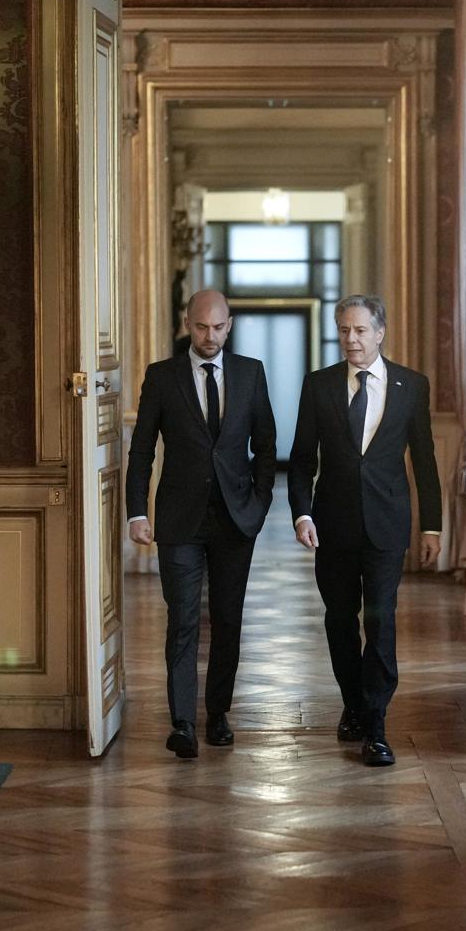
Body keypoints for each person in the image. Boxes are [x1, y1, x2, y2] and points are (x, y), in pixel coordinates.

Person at [290, 294, 442, 768]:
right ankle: (352, 704)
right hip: (331, 527)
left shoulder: (412, 385)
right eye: (344, 330)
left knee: (380, 625)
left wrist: (432, 526)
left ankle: (375, 726)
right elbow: (300, 459)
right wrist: (302, 514)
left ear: (380, 332)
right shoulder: (318, 386)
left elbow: (424, 461)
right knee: (339, 621)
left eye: (359, 330)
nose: (350, 339)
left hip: (386, 527)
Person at [126, 290, 277, 756]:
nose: (209, 337)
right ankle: (182, 723)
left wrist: (259, 504)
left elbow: (267, 445)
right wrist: (137, 511)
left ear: (229, 325)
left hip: (235, 519)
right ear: (186, 324)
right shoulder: (162, 376)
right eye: (200, 327)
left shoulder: (251, 373)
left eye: (217, 328)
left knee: (228, 620)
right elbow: (143, 449)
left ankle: (218, 714)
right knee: (183, 619)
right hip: (179, 519)